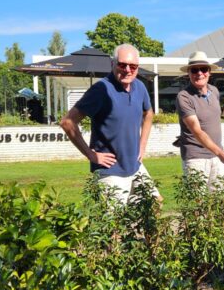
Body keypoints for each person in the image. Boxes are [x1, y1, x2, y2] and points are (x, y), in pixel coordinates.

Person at [60, 43, 160, 205]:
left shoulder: (139, 87)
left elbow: (148, 113)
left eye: (133, 66)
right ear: (113, 64)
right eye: (122, 64)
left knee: (155, 204)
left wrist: (142, 144)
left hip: (135, 165)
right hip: (110, 171)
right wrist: (91, 154)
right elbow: (67, 122)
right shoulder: (101, 89)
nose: (128, 70)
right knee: (114, 226)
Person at [175, 51, 224, 190]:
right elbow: (197, 131)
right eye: (195, 70)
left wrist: (219, 153)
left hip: (217, 155)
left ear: (209, 72)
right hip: (195, 157)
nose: (199, 73)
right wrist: (221, 153)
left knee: (219, 202)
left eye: (203, 69)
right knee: (197, 205)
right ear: (188, 73)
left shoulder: (214, 91)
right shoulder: (184, 97)